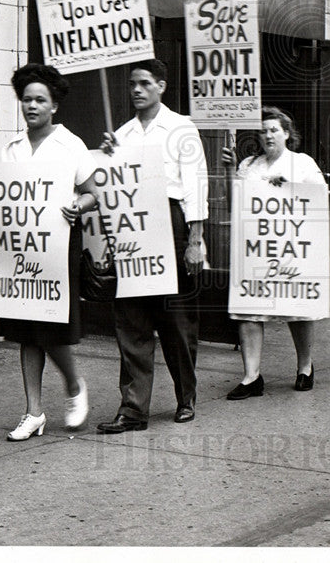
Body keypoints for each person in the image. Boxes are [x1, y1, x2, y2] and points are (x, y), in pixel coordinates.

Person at [0, 63, 99, 441]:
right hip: (16, 250)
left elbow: (94, 193)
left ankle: (75, 386)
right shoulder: (11, 149)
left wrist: (79, 205)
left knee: (51, 330)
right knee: (26, 332)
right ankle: (34, 412)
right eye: (26, 99)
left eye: (39, 100)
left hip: (57, 248)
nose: (31, 106)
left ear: (53, 106)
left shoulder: (71, 144)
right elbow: (0, 211)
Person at [96, 58, 208, 431]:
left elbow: (195, 183)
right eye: (132, 84)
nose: (137, 90)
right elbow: (113, 188)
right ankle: (133, 408)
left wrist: (195, 238)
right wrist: (107, 156)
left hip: (171, 221)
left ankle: (185, 397)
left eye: (144, 83)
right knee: (131, 319)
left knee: (175, 320)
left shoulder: (180, 128)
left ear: (161, 86)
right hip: (133, 226)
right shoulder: (123, 134)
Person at [221, 107, 327, 399]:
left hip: (291, 247)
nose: (268, 135)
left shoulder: (303, 164)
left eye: (274, 130)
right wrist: (230, 170)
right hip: (258, 249)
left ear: (287, 134)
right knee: (249, 308)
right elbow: (236, 205)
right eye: (264, 130)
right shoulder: (249, 165)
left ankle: (305, 367)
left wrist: (287, 189)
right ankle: (251, 375)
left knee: (298, 309)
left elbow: (319, 199)